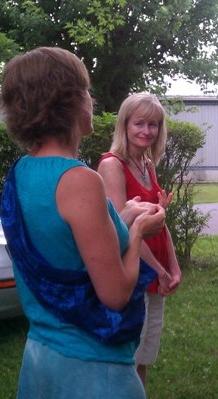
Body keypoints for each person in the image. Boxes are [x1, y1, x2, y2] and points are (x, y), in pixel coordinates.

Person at [0, 47, 166, 398]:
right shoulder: (80, 180)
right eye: (86, 91)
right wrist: (138, 232)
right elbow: (115, 295)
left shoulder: (21, 172)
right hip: (91, 369)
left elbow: (65, 245)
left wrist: (122, 218)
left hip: (41, 359)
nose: (91, 100)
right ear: (69, 102)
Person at [97, 93, 182, 387]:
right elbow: (124, 230)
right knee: (127, 356)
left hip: (155, 271)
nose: (146, 131)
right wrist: (159, 270)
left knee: (144, 355)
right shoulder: (112, 165)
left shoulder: (147, 163)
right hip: (133, 271)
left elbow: (159, 221)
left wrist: (173, 267)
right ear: (125, 125)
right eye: (139, 123)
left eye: (153, 124)